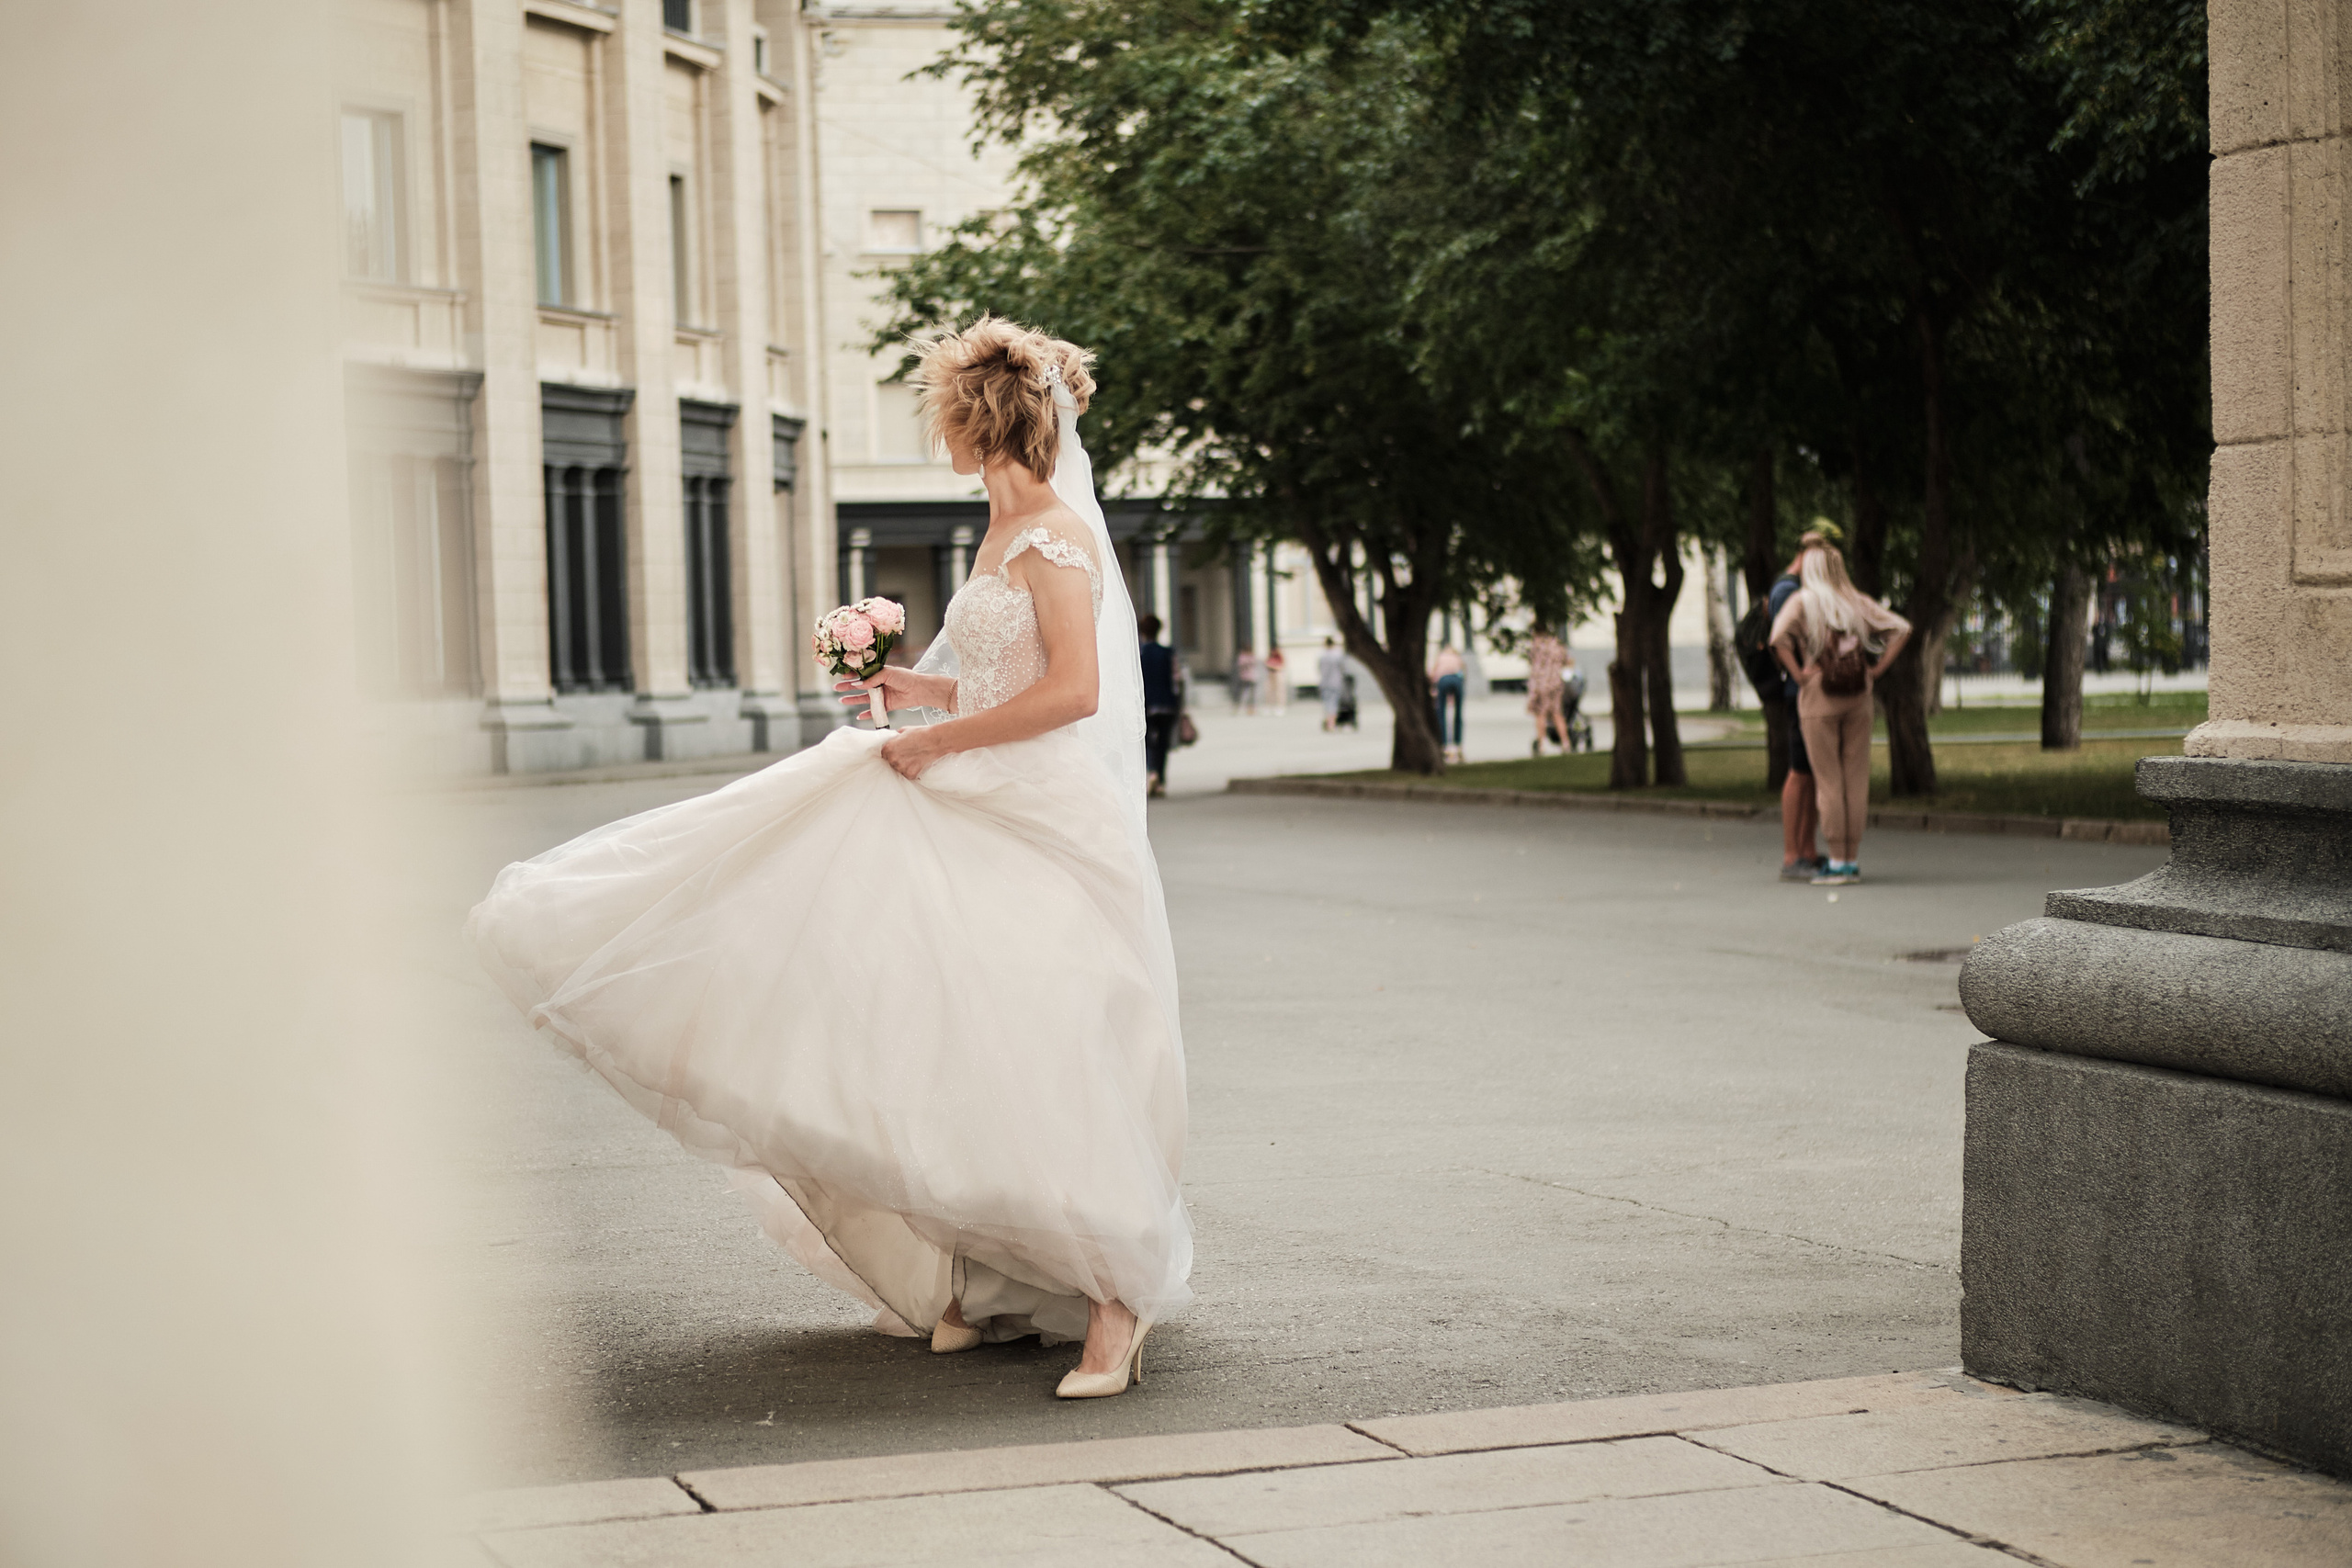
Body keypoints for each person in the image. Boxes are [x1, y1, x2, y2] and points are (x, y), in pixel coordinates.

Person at [468, 317, 1185, 1400]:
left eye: (945, 416)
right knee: (943, 1025)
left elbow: (1074, 694)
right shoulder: (999, 531)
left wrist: (936, 740)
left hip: (1036, 810)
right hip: (974, 779)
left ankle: (1113, 1302)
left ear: (983, 422)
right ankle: (991, 1277)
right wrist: (919, 691)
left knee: (1042, 1036)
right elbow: (1003, 677)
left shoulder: (1052, 535)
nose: (939, 435)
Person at [1770, 539, 1912, 886]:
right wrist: (1876, 671)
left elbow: (1777, 638)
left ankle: (1835, 861)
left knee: (1829, 781)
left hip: (1819, 697)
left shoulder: (1803, 601)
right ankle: (1851, 859)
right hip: (1859, 695)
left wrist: (1800, 675)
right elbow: (1901, 629)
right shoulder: (1855, 601)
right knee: (1856, 779)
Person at [1767, 536, 1826, 881]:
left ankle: (1807, 850)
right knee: (1800, 771)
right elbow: (1780, 639)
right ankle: (1793, 855)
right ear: (1804, 556)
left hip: (1802, 690)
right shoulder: (1787, 590)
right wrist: (1801, 675)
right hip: (1797, 693)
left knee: (1811, 772)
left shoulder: (1795, 587)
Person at [1140, 613, 1182, 796]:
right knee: (1163, 743)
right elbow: (1176, 680)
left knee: (1147, 741)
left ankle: (1152, 772)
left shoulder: (1139, 653)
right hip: (1166, 704)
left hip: (1146, 705)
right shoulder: (1168, 652)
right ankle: (1161, 781)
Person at [1524, 626, 1568, 756]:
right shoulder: (1557, 646)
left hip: (1541, 684)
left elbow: (1534, 665)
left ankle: (1542, 744)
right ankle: (1565, 742)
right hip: (1556, 683)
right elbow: (1566, 661)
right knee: (1557, 713)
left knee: (1540, 714)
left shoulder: (1537, 646)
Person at [1429, 642, 1466, 763]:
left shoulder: (1440, 657)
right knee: (1458, 713)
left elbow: (1433, 674)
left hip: (1443, 680)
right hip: (1457, 680)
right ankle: (1458, 744)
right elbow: (1463, 672)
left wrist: (1433, 690)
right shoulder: (1457, 657)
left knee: (1441, 713)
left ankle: (1443, 744)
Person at [1317, 636, 1348, 731]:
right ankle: (1331, 723)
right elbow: (1343, 669)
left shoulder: (1322, 656)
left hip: (1325, 683)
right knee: (1334, 703)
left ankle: (1329, 722)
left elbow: (1320, 669)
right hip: (1336, 682)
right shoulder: (1338, 655)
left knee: (1327, 703)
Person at [1232, 646, 1260, 716]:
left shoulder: (1251, 657)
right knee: (1243, 693)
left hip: (1251, 677)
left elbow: (1254, 664)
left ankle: (1250, 709)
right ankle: (1239, 707)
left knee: (1251, 695)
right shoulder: (1243, 657)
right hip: (1245, 677)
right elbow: (1241, 665)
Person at [1262, 645, 1288, 715]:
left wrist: (1273, 667)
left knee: (1279, 691)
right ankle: (1269, 706)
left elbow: (1281, 666)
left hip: (1278, 674)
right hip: (1270, 674)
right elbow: (1266, 664)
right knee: (1269, 691)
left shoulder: (1280, 657)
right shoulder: (1270, 657)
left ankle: (1280, 706)